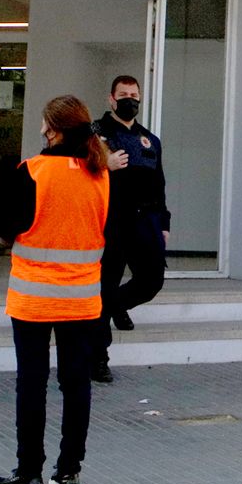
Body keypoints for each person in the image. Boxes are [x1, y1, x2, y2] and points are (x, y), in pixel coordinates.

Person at [0, 95, 110, 484]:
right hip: (82, 298)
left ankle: (29, 476)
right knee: (76, 383)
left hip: (33, 299)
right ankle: (69, 472)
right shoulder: (100, 174)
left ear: (52, 129)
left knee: (32, 383)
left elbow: (6, 230)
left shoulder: (31, 171)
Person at [90, 76, 170, 383]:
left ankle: (112, 308)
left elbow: (159, 184)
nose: (129, 100)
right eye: (123, 95)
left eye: (134, 95)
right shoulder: (94, 134)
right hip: (110, 221)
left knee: (151, 281)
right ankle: (98, 358)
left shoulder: (149, 140)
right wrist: (103, 164)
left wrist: (163, 222)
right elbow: (75, 170)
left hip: (145, 221)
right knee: (106, 283)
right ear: (111, 99)